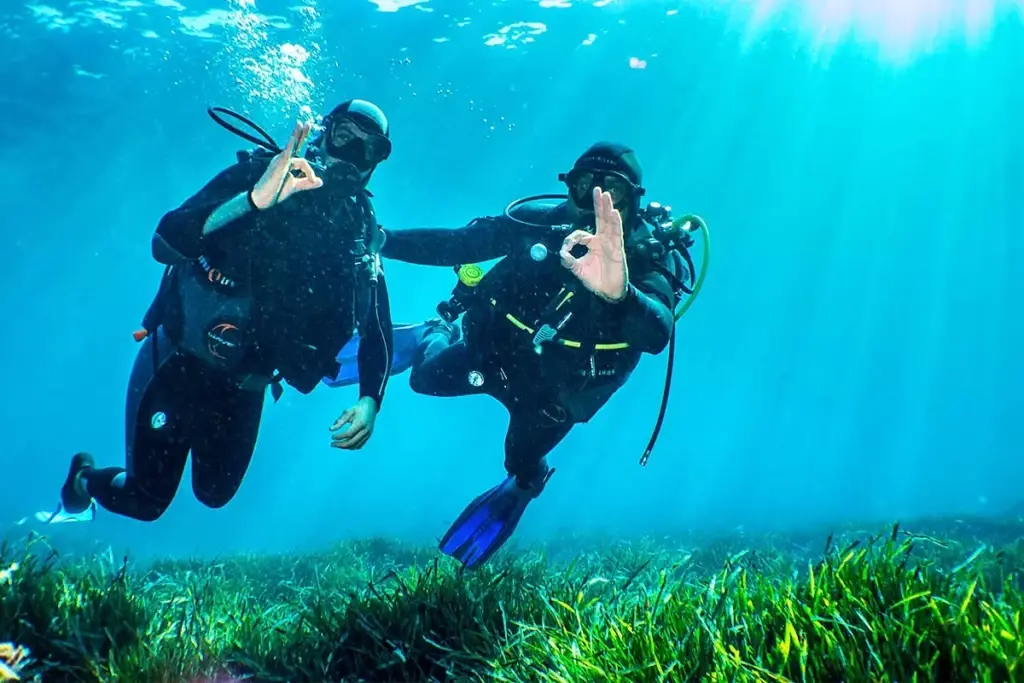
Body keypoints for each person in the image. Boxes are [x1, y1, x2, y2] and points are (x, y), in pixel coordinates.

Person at [56, 99, 402, 523]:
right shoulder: (261, 176)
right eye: (344, 136)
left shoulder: (359, 230)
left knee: (215, 494)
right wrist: (253, 201)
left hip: (245, 386)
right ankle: (82, 479)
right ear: (321, 134)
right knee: (146, 502)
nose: (351, 156)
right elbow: (164, 243)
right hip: (177, 363)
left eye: (369, 149)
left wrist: (370, 399)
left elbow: (378, 328)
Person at [380, 142, 697, 568]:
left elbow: (657, 333)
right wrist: (382, 239)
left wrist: (620, 295)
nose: (595, 200)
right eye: (585, 185)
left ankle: (525, 485)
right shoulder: (535, 225)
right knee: (424, 379)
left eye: (613, 192)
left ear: (634, 200)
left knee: (522, 464)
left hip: (557, 395)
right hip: (490, 354)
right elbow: (458, 245)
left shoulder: (646, 256)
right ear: (569, 187)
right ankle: (435, 331)